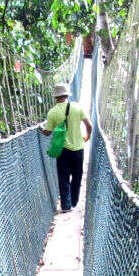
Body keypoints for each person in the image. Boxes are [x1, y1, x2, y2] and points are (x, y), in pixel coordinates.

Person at [42, 82, 92, 212]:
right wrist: (87, 137)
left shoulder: (52, 112)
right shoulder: (77, 107)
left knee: (63, 177)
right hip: (78, 149)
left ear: (55, 97)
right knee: (77, 176)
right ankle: (74, 201)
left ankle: (66, 206)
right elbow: (89, 125)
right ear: (67, 95)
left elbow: (47, 133)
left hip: (63, 150)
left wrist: (41, 129)